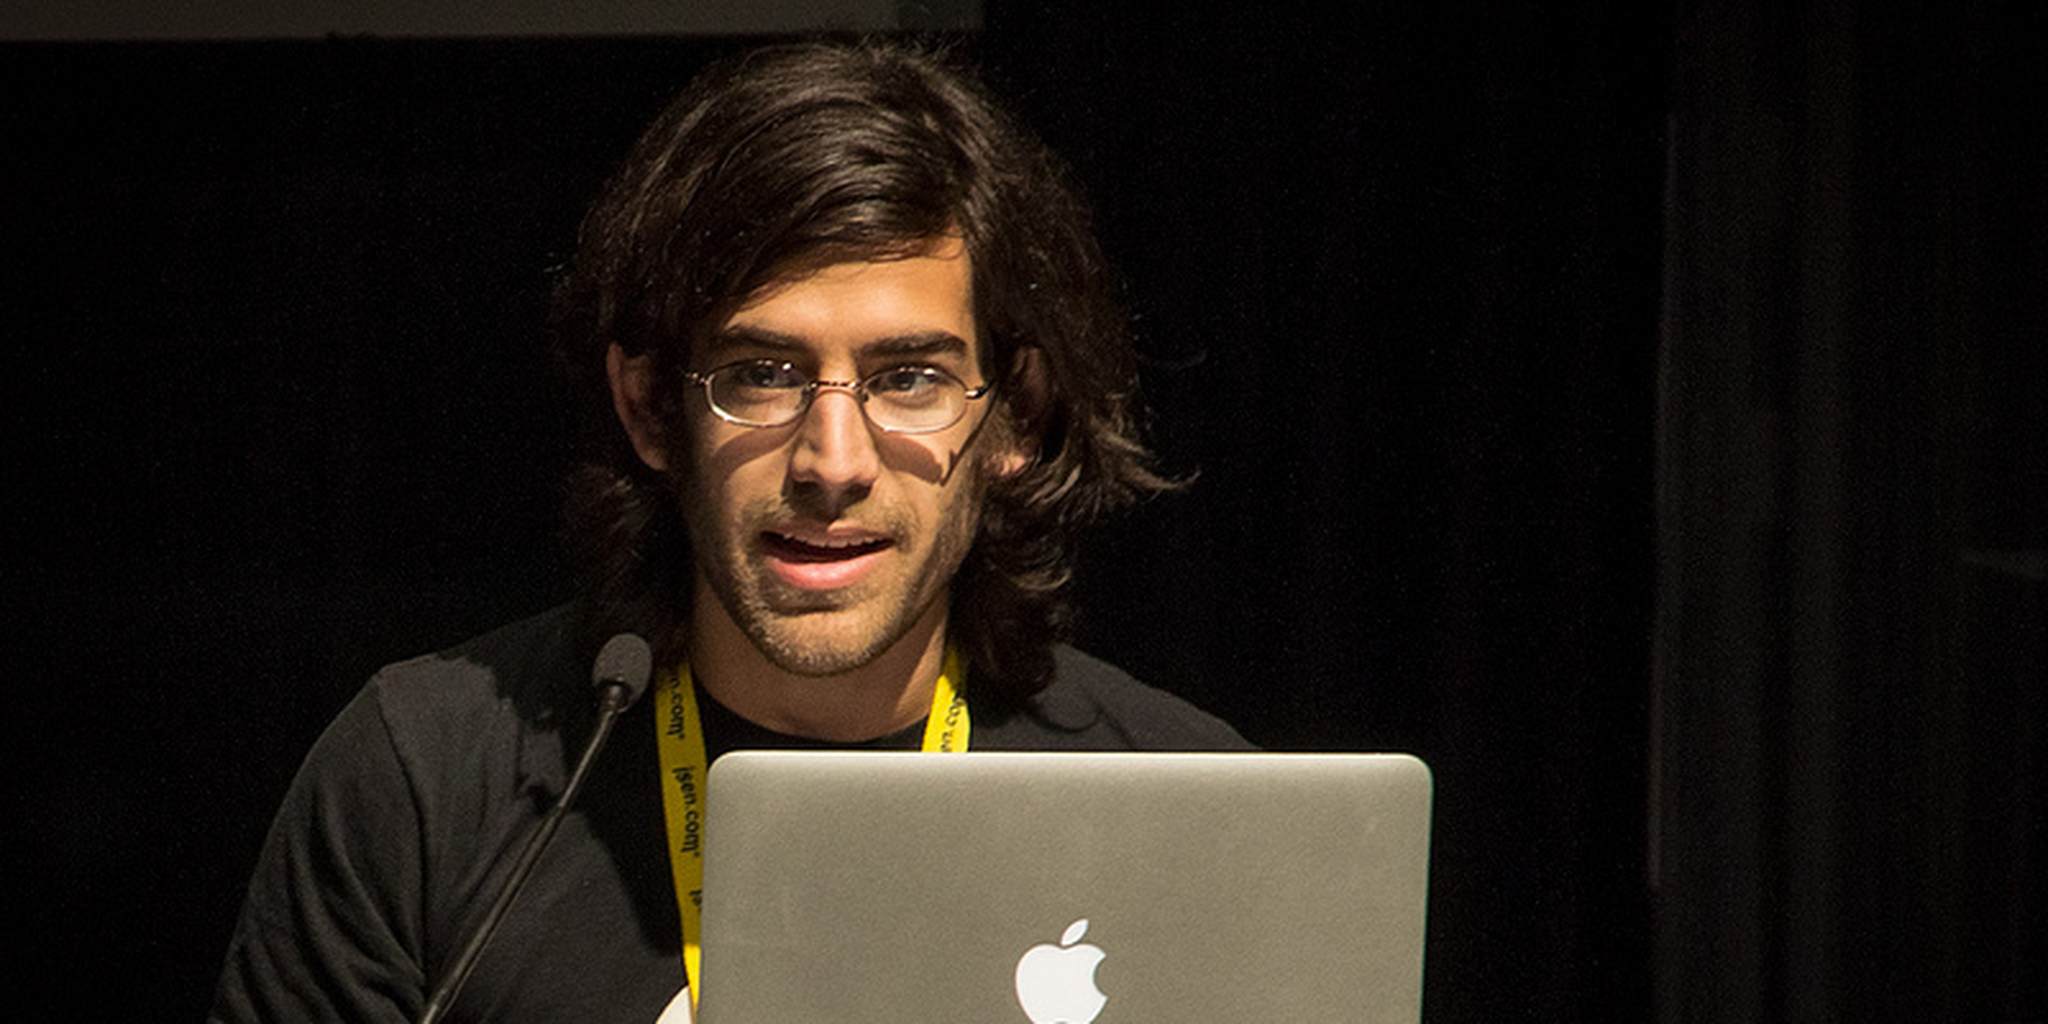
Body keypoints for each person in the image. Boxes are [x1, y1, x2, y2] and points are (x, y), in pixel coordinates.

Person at [209, 39, 1247, 1023]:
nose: (832, 462)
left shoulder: (1193, 809)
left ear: (1015, 416)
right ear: (651, 409)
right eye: (763, 375)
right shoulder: (424, 780)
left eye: (908, 379)